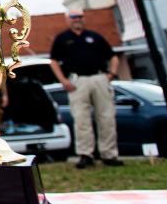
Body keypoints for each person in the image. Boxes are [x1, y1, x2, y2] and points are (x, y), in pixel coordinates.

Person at [50, 10, 124, 169]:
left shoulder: (95, 37)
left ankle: (109, 154)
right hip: (77, 81)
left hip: (99, 78)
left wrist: (111, 73)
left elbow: (113, 56)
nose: (77, 20)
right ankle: (85, 154)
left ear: (84, 19)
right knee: (81, 119)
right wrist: (63, 80)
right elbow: (54, 61)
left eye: (79, 17)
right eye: (73, 17)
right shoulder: (62, 39)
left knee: (107, 117)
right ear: (68, 20)